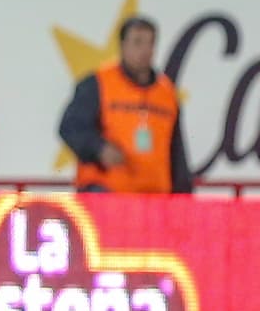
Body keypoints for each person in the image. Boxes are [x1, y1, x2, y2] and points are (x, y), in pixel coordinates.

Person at [58, 16, 192, 195]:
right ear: (122, 46)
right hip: (107, 194)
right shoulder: (98, 83)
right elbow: (70, 127)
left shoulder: (166, 93)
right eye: (137, 42)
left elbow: (177, 151)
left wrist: (183, 196)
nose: (145, 50)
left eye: (150, 43)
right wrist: (99, 148)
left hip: (156, 198)